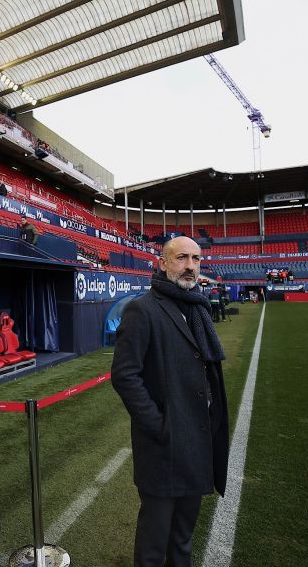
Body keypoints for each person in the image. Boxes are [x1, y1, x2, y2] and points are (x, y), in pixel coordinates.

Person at [111, 236, 229, 567]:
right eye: (181, 258)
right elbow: (124, 375)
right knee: (153, 544)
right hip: (163, 448)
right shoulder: (143, 309)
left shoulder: (198, 307)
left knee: (182, 539)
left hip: (197, 442)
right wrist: (159, 425)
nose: (190, 266)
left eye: (196, 259)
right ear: (163, 263)